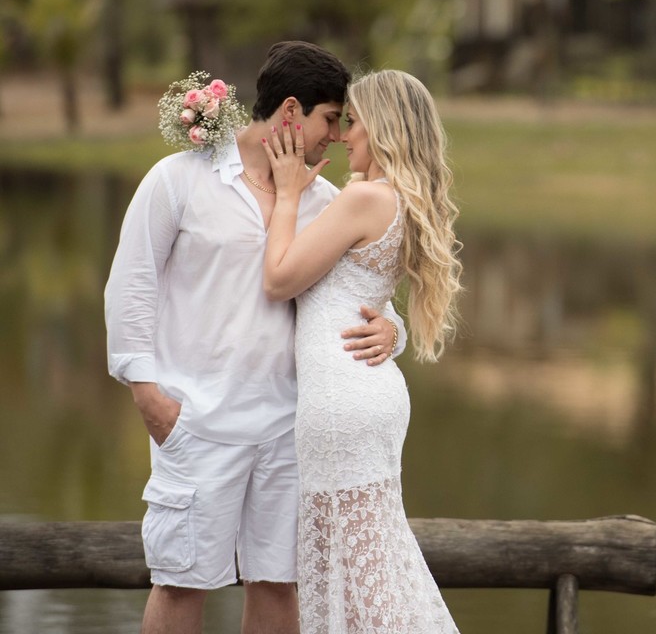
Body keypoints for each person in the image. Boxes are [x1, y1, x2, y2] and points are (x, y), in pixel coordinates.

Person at [104, 42, 408, 634]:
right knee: (181, 583)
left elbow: (361, 293)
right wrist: (148, 394)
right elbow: (129, 285)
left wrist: (391, 331)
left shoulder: (326, 201)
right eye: (330, 119)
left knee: (278, 584)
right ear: (291, 111)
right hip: (196, 423)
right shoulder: (179, 180)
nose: (340, 136)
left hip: (289, 430)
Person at [260, 69, 463, 633]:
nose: (345, 136)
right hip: (363, 395)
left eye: (354, 123)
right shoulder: (396, 201)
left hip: (343, 405)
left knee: (366, 578)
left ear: (383, 129)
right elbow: (362, 293)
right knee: (370, 565)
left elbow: (278, 280)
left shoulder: (365, 197)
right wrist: (393, 327)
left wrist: (286, 196)